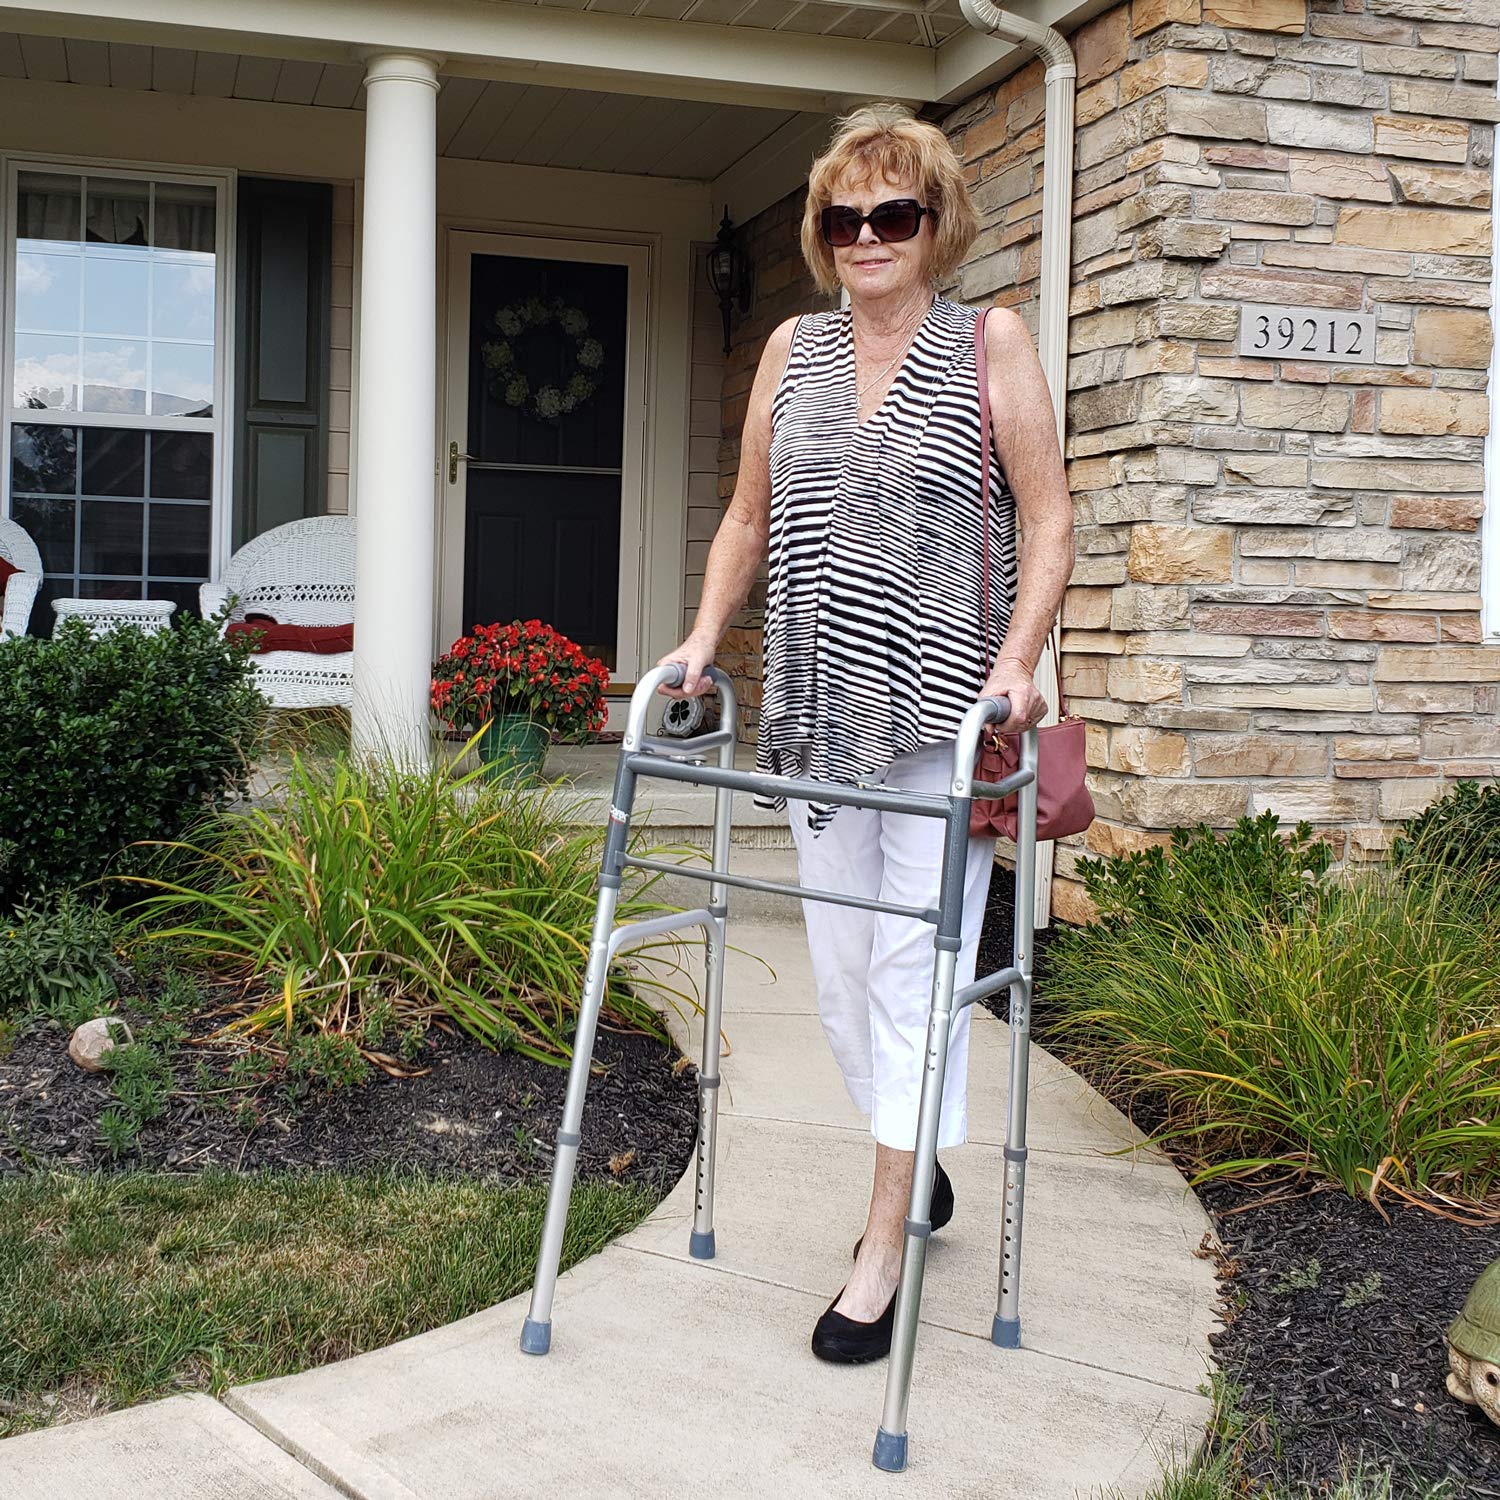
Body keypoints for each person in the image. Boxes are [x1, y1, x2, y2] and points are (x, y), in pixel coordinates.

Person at [658, 102, 1075, 1364]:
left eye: (893, 214)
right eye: (846, 218)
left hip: (947, 724)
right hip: (817, 716)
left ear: (935, 224)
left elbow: (1051, 520)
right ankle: (915, 1152)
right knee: (845, 980)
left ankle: (883, 1238)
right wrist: (695, 638)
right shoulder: (790, 350)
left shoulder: (989, 341)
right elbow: (744, 517)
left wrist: (1019, 665)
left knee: (916, 974)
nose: (867, 236)